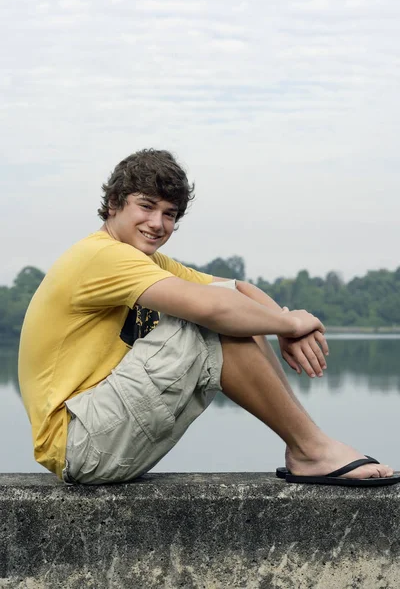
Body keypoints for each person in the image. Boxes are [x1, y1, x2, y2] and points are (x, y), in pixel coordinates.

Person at [18, 149, 399, 487]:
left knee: (230, 312)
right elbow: (214, 309)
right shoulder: (100, 256)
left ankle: (310, 446)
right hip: (79, 442)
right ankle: (311, 449)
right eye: (146, 206)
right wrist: (291, 324)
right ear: (115, 203)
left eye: (170, 214)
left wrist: (279, 319)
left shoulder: (146, 261)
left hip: (102, 439)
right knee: (210, 321)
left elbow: (236, 290)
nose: (157, 223)